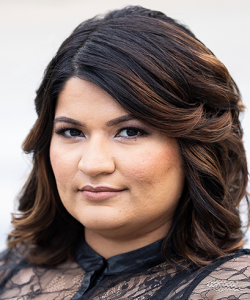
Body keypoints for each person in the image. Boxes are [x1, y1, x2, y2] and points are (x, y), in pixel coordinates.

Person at [0, 5, 249, 299]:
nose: (93, 164)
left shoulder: (230, 290)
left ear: (195, 146)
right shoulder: (10, 272)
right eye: (72, 132)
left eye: (130, 132)